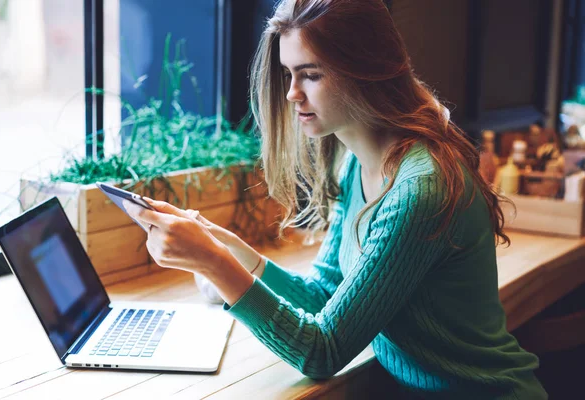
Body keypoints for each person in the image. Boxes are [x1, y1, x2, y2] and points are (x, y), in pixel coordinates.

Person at [124, 0, 547, 398]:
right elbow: (325, 293)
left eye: (311, 74)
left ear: (365, 69)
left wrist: (213, 264)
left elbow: (321, 353)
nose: (292, 93)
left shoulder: (418, 189)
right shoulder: (356, 164)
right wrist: (224, 247)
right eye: (289, 73)